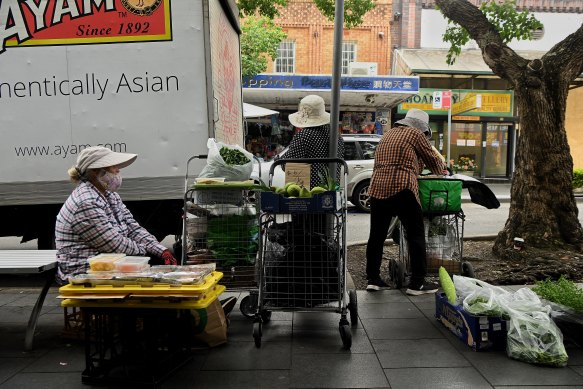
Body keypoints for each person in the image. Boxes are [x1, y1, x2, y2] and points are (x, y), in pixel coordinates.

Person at [55, 146, 178, 285]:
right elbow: (114, 245)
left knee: (160, 261)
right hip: (83, 272)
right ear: (97, 172)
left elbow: (133, 228)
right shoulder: (85, 203)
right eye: (113, 167)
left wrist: (160, 250)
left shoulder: (110, 196)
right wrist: (147, 251)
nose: (118, 170)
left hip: (108, 265)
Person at [365, 108, 448, 295]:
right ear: (422, 128)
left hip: (377, 187)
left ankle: (373, 279)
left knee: (377, 235)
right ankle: (417, 283)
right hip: (402, 186)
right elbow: (434, 162)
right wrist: (443, 168)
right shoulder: (416, 134)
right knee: (416, 234)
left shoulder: (388, 134)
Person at [281, 94, 344, 188]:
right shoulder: (336, 136)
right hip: (333, 189)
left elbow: (288, 165)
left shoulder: (304, 136)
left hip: (310, 193)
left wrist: (280, 160)